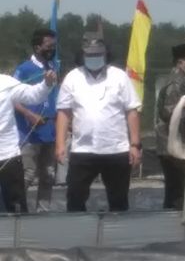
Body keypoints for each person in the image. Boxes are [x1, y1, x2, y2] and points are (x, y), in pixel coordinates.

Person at [56, 32, 141, 212]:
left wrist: (135, 144)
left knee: (118, 200)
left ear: (105, 54)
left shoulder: (119, 77)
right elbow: (63, 113)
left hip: (116, 149)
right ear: (83, 55)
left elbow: (131, 111)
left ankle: (117, 236)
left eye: (97, 54)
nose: (94, 58)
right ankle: (79, 236)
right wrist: (60, 144)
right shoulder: (72, 77)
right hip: (83, 149)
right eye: (90, 55)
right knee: (75, 197)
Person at [13, 28, 59, 212]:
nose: (52, 50)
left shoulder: (53, 67)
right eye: (49, 46)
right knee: (28, 174)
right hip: (29, 133)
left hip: (49, 132)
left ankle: (43, 212)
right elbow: (12, 98)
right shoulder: (23, 70)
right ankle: (15, 208)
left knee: (48, 174)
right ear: (37, 46)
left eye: (54, 46)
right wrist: (29, 114)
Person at [0, 68, 56, 212]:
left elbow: (34, 95)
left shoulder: (6, 82)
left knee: (16, 207)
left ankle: (17, 234)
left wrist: (46, 83)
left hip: (8, 155)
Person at [155, 43, 185, 209]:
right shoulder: (175, 83)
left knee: (177, 189)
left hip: (175, 142)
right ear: (180, 62)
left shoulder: (182, 81)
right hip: (172, 144)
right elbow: (170, 114)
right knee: (176, 191)